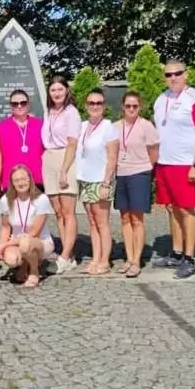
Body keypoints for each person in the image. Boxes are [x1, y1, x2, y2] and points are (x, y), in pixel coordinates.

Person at [151, 59, 195, 279]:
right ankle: (176, 253)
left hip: (185, 163)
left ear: (186, 74)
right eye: (168, 75)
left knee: (186, 209)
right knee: (171, 207)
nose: (173, 78)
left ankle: (189, 258)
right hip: (165, 163)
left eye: (177, 73)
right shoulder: (160, 99)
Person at [114, 91, 159, 278]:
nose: (131, 109)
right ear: (122, 107)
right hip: (121, 174)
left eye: (135, 106)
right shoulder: (116, 127)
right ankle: (129, 257)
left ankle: (136, 261)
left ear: (140, 107)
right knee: (125, 218)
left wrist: (146, 169)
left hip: (139, 174)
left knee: (137, 219)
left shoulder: (146, 126)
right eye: (128, 106)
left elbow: (154, 151)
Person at [41, 75, 82, 274]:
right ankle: (69, 254)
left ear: (66, 90)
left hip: (65, 158)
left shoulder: (71, 112)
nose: (56, 93)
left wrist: (64, 170)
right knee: (58, 212)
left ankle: (64, 256)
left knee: (68, 211)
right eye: (53, 90)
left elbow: (72, 143)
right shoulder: (49, 112)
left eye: (60, 89)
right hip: (49, 158)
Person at [76, 88, 119, 275]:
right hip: (84, 179)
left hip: (100, 180)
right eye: (91, 103)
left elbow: (112, 158)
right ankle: (95, 258)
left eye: (99, 103)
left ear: (104, 105)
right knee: (92, 222)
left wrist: (106, 183)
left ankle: (104, 261)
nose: (95, 106)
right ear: (86, 105)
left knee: (102, 222)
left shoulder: (109, 127)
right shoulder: (82, 126)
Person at [0, 164, 55, 287]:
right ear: (12, 183)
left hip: (39, 241)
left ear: (30, 179)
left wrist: (5, 245)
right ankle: (24, 264)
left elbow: (34, 233)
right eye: (16, 180)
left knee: (26, 244)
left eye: (24, 179)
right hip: (17, 241)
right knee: (11, 260)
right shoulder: (6, 200)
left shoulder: (41, 199)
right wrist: (1, 247)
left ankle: (34, 271)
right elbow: (5, 227)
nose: (21, 183)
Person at [0, 89, 45, 193]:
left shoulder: (40, 125)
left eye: (23, 103)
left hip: (36, 180)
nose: (19, 106)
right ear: (10, 106)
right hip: (10, 182)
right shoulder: (1, 127)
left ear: (28, 104)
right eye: (15, 104)